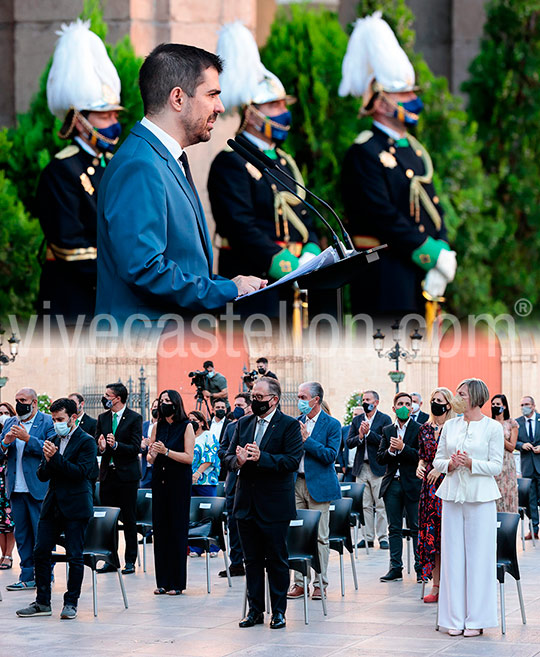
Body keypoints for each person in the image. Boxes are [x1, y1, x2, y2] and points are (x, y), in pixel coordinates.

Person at [96, 42, 265, 320]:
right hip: (144, 347)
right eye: (211, 94)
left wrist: (227, 285)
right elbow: (144, 268)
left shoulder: (162, 156)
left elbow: (183, 264)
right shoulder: (140, 164)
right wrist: (226, 290)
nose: (220, 107)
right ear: (178, 98)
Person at [339, 12, 456, 316]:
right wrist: (428, 251)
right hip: (385, 273)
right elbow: (382, 215)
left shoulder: (413, 150)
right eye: (402, 93)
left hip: (416, 266)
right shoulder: (364, 152)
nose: (411, 99)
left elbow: (432, 205)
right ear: (379, 103)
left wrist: (440, 248)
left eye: (411, 92)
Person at [209, 22, 321, 317]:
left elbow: (303, 212)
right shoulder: (230, 162)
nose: (282, 112)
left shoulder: (284, 160)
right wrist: (283, 262)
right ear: (252, 112)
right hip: (257, 282)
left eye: (283, 104)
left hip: (296, 278)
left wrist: (310, 248)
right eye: (273, 106)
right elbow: (240, 226)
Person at [36, 20, 123, 318]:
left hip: (109, 297)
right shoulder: (61, 171)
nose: (113, 121)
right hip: (72, 303)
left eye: (114, 113)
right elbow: (70, 247)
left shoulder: (111, 164)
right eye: (103, 115)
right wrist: (125, 271)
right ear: (79, 120)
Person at [224, 377, 303, 630]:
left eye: (259, 398)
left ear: (274, 400)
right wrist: (238, 461)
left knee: (277, 560)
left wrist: (262, 457)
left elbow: (291, 461)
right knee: (252, 561)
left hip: (274, 505)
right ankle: (255, 610)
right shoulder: (243, 424)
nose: (253, 401)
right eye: (252, 396)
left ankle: (278, 612)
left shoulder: (289, 425)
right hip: (245, 502)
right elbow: (225, 456)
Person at [433, 378, 504, 636]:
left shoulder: (492, 428)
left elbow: (496, 466)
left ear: (474, 397)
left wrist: (471, 462)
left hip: (480, 498)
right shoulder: (450, 426)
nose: (456, 397)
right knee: (452, 557)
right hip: (452, 496)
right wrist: (450, 465)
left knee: (479, 559)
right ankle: (453, 619)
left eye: (461, 394)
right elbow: (437, 460)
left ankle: (476, 620)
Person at [15, 397, 97, 619]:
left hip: (76, 505)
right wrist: (49, 459)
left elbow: (82, 473)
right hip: (52, 506)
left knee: (74, 556)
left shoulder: (86, 441)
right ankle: (42, 602)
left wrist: (56, 459)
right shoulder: (51, 439)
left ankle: (71, 603)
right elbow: (42, 475)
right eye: (53, 419)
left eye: (60, 419)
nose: (56, 422)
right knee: (40, 552)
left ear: (72, 418)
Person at [287, 382, 341, 601]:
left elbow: (330, 456)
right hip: (296, 483)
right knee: (297, 535)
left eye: (303, 396)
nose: (299, 400)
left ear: (315, 399)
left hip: (319, 486)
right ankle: (299, 583)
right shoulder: (295, 423)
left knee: (320, 537)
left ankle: (320, 583)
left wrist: (307, 441)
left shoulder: (331, 424)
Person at [0, 388, 55, 591]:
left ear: (33, 403)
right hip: (15, 489)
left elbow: (50, 449)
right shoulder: (10, 422)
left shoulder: (47, 422)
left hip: (39, 488)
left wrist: (27, 438)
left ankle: (45, 576)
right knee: (22, 535)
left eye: (22, 400)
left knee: (42, 534)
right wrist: (4, 443)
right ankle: (26, 575)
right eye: (16, 400)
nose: (19, 403)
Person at [147, 390, 194, 595]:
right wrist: (153, 453)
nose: (163, 404)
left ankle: (177, 583)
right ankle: (162, 581)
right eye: (161, 401)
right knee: (161, 531)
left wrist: (166, 451)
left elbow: (188, 457)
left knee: (176, 531)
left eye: (167, 401)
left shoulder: (187, 426)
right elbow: (150, 459)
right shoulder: (157, 426)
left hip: (178, 483)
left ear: (176, 404)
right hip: (159, 481)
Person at [95, 383, 142, 574]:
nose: (105, 398)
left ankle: (130, 559)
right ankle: (110, 559)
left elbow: (135, 447)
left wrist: (116, 446)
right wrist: (102, 446)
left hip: (127, 476)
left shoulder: (134, 418)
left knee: (129, 519)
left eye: (108, 395)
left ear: (118, 398)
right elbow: (98, 441)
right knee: (109, 519)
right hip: (108, 474)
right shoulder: (102, 418)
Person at [377, 392, 422, 582]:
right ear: (394, 408)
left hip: (412, 484)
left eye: (407, 403)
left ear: (412, 408)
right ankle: (395, 567)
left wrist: (403, 448)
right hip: (392, 485)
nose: (404, 406)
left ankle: (421, 569)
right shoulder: (387, 430)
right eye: (400, 403)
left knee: (416, 527)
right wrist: (390, 450)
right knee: (394, 528)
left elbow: (422, 455)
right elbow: (380, 458)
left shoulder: (420, 429)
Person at [416, 387, 454, 603]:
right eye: (433, 399)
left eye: (439, 400)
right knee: (433, 538)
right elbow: (422, 456)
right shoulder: (424, 429)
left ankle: (452, 585)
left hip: (449, 484)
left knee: (450, 537)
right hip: (429, 490)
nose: (435, 403)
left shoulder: (455, 427)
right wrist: (420, 466)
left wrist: (441, 467)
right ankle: (436, 586)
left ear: (448, 404)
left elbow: (458, 455)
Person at [347, 391, 392, 550]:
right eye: (363, 399)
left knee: (380, 504)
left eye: (368, 399)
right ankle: (367, 537)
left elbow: (385, 442)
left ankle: (383, 536)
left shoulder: (384, 419)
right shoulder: (357, 420)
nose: (365, 402)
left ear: (376, 402)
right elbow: (349, 442)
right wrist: (360, 435)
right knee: (364, 505)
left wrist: (369, 434)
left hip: (378, 467)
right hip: (361, 467)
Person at [217, 393, 252, 577]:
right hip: (233, 481)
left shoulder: (257, 426)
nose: (236, 407)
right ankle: (236, 563)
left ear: (249, 406)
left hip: (253, 481)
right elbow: (222, 450)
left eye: (240, 404)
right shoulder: (230, 427)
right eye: (235, 404)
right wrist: (233, 458)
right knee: (233, 522)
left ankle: (252, 560)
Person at [516, 395, 540, 539]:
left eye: (526, 404)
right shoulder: (517, 422)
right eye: (522, 404)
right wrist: (521, 445)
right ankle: (534, 530)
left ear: (533, 405)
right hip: (527, 467)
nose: (524, 407)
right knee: (530, 501)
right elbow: (514, 441)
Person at [491, 394, 518, 513]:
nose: (495, 406)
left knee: (507, 494)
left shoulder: (512, 423)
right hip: (492, 461)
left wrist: (499, 437)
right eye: (493, 404)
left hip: (507, 464)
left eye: (498, 404)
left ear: (504, 406)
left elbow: (512, 447)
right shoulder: (489, 423)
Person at [0, 402, 16, 570]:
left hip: (9, 482)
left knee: (9, 521)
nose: (2, 416)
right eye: (0, 413)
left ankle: (8, 555)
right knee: (0, 523)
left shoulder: (13, 431)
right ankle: (2, 553)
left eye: (5, 412)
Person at [189, 411, 220, 496]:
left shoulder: (209, 435)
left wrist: (198, 473)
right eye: (189, 420)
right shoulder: (187, 436)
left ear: (202, 422)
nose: (191, 422)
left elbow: (210, 456)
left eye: (194, 420)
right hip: (189, 481)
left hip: (206, 480)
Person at [140, 398, 159, 489]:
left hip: (158, 468)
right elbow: (136, 446)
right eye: (155, 407)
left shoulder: (165, 426)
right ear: (151, 409)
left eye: (158, 407)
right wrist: (143, 446)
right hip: (145, 470)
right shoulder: (143, 425)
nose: (156, 409)